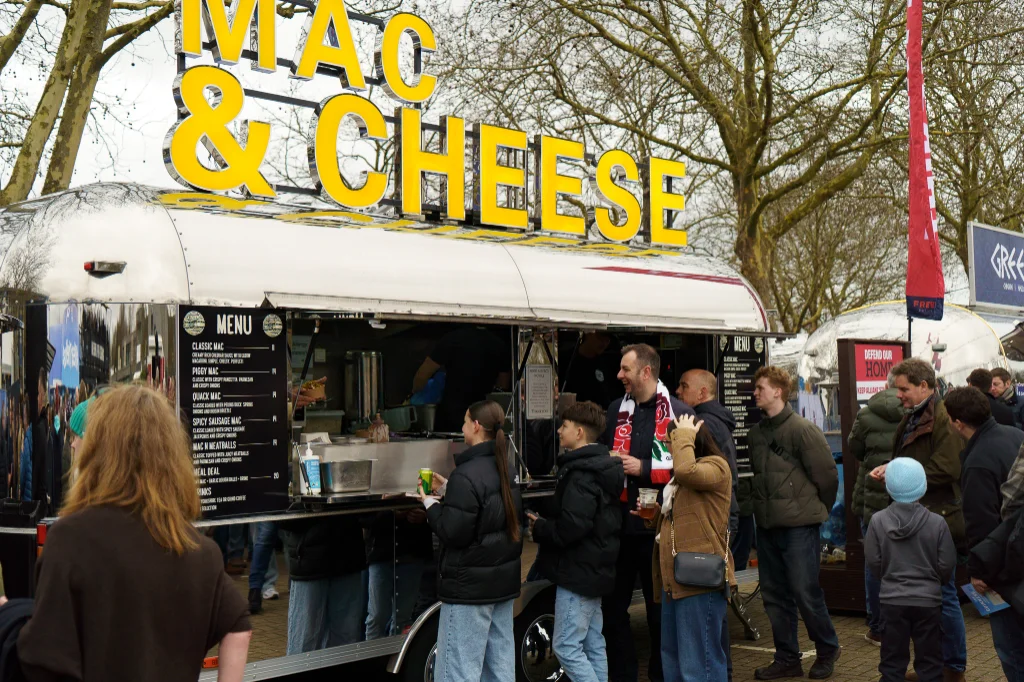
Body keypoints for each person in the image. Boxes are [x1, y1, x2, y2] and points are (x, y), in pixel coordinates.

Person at [16, 385, 252, 682]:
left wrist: (14, 618)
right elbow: (240, 627)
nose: (74, 445)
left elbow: (43, 660)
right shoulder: (200, 550)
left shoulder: (70, 539)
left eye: (80, 438)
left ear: (101, 449)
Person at [871, 358, 967, 682]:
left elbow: (948, 468)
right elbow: (914, 460)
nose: (898, 395)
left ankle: (953, 667)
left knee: (948, 595)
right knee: (943, 595)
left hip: (936, 516)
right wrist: (892, 469)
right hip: (919, 513)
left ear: (924, 386)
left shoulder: (941, 419)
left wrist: (902, 478)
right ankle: (941, 666)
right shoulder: (914, 416)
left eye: (904, 389)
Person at [603, 344, 694, 682]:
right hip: (620, 529)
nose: (619, 375)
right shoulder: (616, 410)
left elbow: (693, 470)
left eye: (625, 369)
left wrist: (642, 467)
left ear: (645, 371)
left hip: (658, 532)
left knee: (659, 617)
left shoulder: (679, 412)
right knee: (611, 612)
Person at [419, 400, 523, 682]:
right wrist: (450, 489)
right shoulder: (506, 467)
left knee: (458, 671)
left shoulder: (466, 473)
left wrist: (430, 504)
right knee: (499, 670)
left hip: (468, 588)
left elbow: (454, 532)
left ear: (476, 426)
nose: (462, 427)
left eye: (465, 421)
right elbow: (490, 510)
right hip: (501, 586)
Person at [748, 366, 840, 680]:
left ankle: (827, 649)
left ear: (778, 391)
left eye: (760, 387)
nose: (755, 392)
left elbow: (827, 477)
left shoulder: (802, 429)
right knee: (774, 596)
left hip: (799, 527)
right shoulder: (756, 434)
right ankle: (788, 658)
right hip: (768, 526)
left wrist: (814, 511)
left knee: (805, 591)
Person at [527, 401, 624, 682]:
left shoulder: (582, 474)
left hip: (577, 573)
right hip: (594, 571)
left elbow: (572, 527)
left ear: (579, 432)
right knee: (593, 645)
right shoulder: (599, 468)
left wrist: (542, 528)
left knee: (566, 646)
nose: (558, 431)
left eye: (564, 426)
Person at [642, 414, 735, 682]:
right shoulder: (679, 480)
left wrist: (683, 435)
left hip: (699, 578)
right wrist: (657, 516)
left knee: (699, 663)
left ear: (691, 440)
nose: (668, 447)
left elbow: (687, 470)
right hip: (676, 579)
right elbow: (689, 519)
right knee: (673, 658)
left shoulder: (717, 467)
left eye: (671, 440)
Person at [944, 386, 1024, 680]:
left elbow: (980, 522)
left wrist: (979, 572)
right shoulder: (1015, 435)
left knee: (1012, 647)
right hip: (1018, 549)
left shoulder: (976, 461)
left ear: (957, 423)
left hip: (1004, 566)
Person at [865, 457, 956, 682]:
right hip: (928, 601)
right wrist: (934, 582)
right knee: (930, 663)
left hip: (892, 600)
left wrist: (887, 578)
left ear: (889, 487)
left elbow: (874, 562)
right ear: (923, 487)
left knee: (892, 663)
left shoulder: (877, 521)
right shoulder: (937, 523)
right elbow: (946, 565)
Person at [675, 368, 740, 679]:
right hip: (718, 521)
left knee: (709, 617)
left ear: (702, 394)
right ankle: (721, 671)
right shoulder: (714, 421)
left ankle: (721, 673)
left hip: (713, 526)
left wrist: (683, 436)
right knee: (711, 616)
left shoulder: (705, 423)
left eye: (683, 386)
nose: (677, 391)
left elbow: (688, 471)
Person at [848, 378, 903, 646]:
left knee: (874, 562)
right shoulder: (914, 410)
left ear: (886, 384)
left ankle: (878, 627)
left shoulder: (866, 413)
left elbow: (854, 447)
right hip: (905, 494)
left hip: (871, 494)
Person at [280, 514, 367, 653]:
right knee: (304, 642)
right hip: (310, 563)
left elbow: (367, 514)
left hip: (347, 558)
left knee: (345, 642)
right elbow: (282, 516)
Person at [412, 327, 511, 433]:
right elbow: (503, 386)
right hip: (483, 416)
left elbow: (423, 374)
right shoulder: (498, 344)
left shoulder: (453, 339)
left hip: (451, 416)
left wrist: (414, 394)